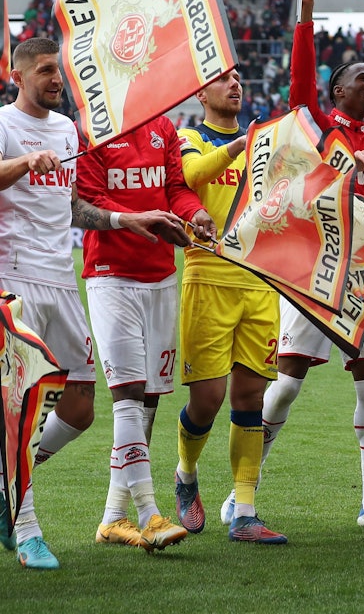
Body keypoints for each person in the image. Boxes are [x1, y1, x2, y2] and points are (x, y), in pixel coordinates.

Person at [218, 0, 364, 529]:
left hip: (363, 279)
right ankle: (241, 491)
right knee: (285, 388)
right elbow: (300, 81)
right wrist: (305, 8)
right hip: (311, 276)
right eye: (363, 79)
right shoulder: (317, 127)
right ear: (336, 91)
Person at [0, 37, 187, 569]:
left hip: (62, 281)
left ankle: (9, 478)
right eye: (43, 71)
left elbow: (76, 208)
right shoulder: (5, 125)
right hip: (13, 280)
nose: (55, 79)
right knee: (19, 407)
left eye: (57, 71)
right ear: (19, 77)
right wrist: (22, 164)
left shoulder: (68, 131)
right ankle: (28, 528)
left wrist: (130, 220)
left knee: (81, 404)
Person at [78, 115, 216, 552]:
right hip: (110, 275)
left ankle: (111, 519)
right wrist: (134, 220)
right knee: (129, 394)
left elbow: (175, 188)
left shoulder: (163, 127)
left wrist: (196, 214)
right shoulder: (92, 129)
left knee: (150, 398)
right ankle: (148, 514)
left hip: (160, 278)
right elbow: (87, 201)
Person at [173, 68, 288, 545]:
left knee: (250, 399)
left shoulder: (263, 147)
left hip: (260, 282)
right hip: (209, 277)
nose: (235, 85)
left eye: (239, 79)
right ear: (200, 92)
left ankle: (245, 511)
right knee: (208, 399)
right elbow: (191, 175)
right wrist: (242, 147)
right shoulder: (188, 137)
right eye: (223, 80)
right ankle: (186, 472)